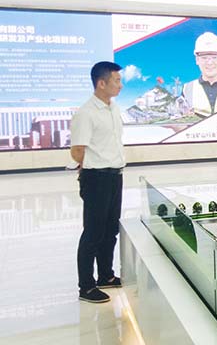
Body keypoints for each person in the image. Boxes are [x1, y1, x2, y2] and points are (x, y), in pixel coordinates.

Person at [70, 61, 125, 304]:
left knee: (110, 230)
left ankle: (105, 275)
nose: (120, 85)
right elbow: (77, 151)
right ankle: (86, 286)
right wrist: (92, 166)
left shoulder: (113, 108)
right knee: (93, 232)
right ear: (101, 83)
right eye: (117, 80)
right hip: (96, 178)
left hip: (115, 175)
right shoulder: (86, 113)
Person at [182, 32, 217, 117]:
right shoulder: (187, 89)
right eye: (204, 58)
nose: (209, 63)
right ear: (197, 60)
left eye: (214, 58)